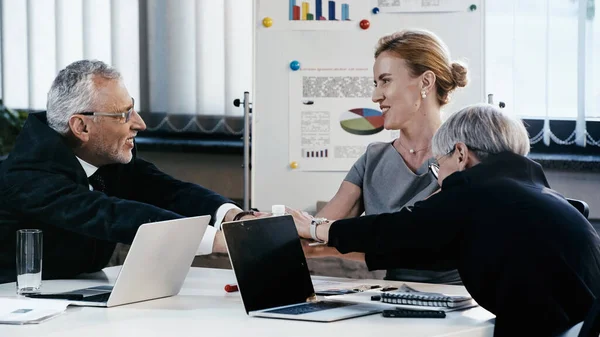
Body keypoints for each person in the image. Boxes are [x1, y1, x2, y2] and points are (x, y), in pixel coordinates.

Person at [290, 103, 600, 336]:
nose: (438, 181)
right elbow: (430, 249)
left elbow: (400, 228)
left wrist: (317, 228)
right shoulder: (530, 193)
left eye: (438, 166)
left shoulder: (475, 189)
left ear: (461, 154)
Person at [0, 60, 259, 284]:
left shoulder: (107, 154)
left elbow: (168, 191)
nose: (140, 124)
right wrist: (226, 241)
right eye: (124, 115)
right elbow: (108, 214)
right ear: (81, 126)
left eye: (132, 108)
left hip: (77, 294)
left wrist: (235, 218)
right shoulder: (26, 175)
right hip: (17, 307)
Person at [299, 29, 468, 284]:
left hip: (457, 301)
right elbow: (319, 230)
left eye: (386, 81)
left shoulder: (463, 157)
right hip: (393, 301)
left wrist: (320, 231)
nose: (376, 96)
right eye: (375, 83)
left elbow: (413, 234)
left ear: (425, 82)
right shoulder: (373, 159)